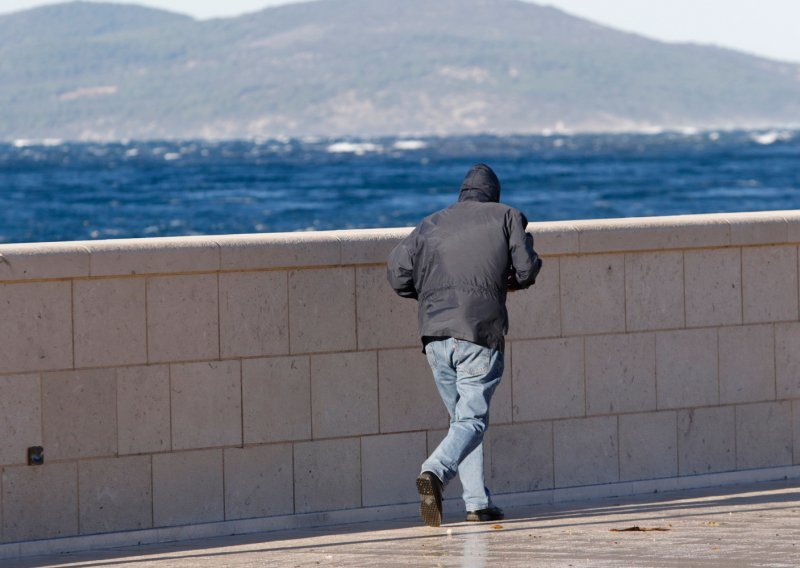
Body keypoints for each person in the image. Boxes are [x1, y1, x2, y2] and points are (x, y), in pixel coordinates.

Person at [386, 163, 542, 527]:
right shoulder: (507, 217)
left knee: (462, 421)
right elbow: (527, 269)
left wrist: (430, 299)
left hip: (434, 336)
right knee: (471, 420)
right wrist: (507, 285)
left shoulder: (430, 223)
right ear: (493, 194)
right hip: (478, 331)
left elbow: (397, 275)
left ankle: (477, 502)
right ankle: (435, 471)